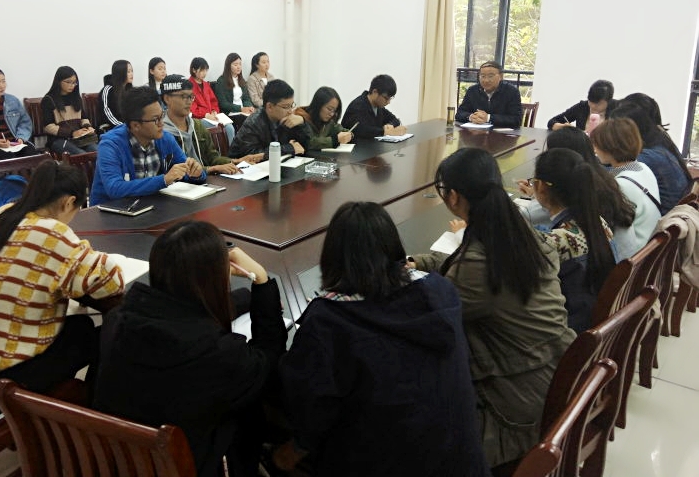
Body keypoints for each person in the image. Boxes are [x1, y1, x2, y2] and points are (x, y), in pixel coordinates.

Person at [274, 202, 490, 477]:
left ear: (333, 257)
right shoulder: (440, 290)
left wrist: (292, 451)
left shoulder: (329, 321)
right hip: (462, 462)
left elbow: (309, 412)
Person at [410, 148, 575, 469]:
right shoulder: (517, 232)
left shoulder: (478, 264)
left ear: (453, 197)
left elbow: (430, 321)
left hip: (515, 407)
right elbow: (468, 265)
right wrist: (421, 262)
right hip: (555, 375)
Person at [93, 220, 286, 477]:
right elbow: (269, 357)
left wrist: (246, 299)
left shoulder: (117, 320)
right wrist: (261, 280)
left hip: (119, 458)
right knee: (251, 410)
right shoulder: (219, 354)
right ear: (216, 278)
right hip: (186, 464)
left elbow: (188, 310)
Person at [0, 161, 124, 398]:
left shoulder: (3, 216)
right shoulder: (53, 234)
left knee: (77, 325)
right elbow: (110, 283)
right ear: (69, 202)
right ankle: (85, 403)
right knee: (99, 333)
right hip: (1, 372)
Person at [529, 148, 616, 332]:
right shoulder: (598, 222)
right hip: (596, 320)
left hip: (570, 329)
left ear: (541, 187)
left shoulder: (555, 241)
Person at [524, 126, 639, 261]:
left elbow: (525, 217)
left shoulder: (556, 239)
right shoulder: (601, 180)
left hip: (614, 267)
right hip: (623, 263)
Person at [89, 86, 206, 204]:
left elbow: (185, 172)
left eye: (162, 116)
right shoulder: (110, 145)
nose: (162, 124)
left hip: (151, 206)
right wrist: (163, 180)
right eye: (156, 119)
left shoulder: (165, 138)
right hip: (111, 210)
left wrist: (196, 173)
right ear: (135, 125)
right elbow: (115, 188)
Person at [161, 75, 260, 174]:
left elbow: (213, 158)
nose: (189, 101)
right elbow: (174, 171)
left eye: (191, 96)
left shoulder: (197, 126)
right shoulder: (161, 133)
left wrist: (237, 161)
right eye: (183, 96)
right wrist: (212, 169)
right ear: (167, 98)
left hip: (205, 180)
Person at [609, 101, 691, 214]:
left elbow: (611, 173)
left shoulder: (648, 157)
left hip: (663, 218)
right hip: (672, 211)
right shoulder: (659, 139)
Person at [590, 118, 662, 246]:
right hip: (650, 243)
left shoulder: (621, 185)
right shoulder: (643, 168)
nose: (595, 150)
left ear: (610, 147)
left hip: (634, 251)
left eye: (597, 145)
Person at [228, 79, 310, 161]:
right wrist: (288, 148)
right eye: (286, 107)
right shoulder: (253, 123)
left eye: (291, 105)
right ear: (270, 106)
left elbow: (304, 147)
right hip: (239, 166)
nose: (290, 111)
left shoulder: (286, 118)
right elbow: (253, 156)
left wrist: (302, 123)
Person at [42, 66, 98, 155]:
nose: (72, 85)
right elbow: (48, 127)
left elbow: (84, 118)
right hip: (58, 140)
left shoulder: (76, 97)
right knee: (81, 154)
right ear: (58, 81)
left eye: (74, 82)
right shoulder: (49, 100)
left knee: (97, 151)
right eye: (68, 82)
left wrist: (87, 127)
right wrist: (72, 133)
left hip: (79, 138)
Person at [454, 61, 522, 129]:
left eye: (490, 76)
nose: (486, 80)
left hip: (501, 133)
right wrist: (471, 117)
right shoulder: (472, 90)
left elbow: (516, 120)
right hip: (475, 132)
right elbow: (459, 113)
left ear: (501, 76)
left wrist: (488, 118)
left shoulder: (512, 91)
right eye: (483, 76)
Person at [341, 74, 407, 141]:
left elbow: (395, 120)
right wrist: (385, 132)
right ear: (375, 92)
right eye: (386, 98)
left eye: (390, 98)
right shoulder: (357, 106)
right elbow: (361, 130)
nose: (388, 102)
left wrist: (389, 125)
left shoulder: (378, 107)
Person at [189, 57, 236, 144]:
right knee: (218, 128)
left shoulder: (206, 85)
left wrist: (214, 111)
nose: (205, 73)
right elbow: (192, 108)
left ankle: (231, 151)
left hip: (211, 116)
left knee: (230, 128)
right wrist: (206, 114)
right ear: (194, 70)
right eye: (202, 70)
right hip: (199, 119)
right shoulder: (188, 86)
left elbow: (214, 101)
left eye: (206, 70)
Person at [294, 86, 354, 150]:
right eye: (329, 109)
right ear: (318, 105)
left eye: (334, 111)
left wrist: (349, 135)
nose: (332, 114)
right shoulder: (300, 119)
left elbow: (340, 129)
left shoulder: (328, 121)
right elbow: (309, 143)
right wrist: (335, 140)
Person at [546, 79, 614, 132]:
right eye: (590, 101)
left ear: (609, 101)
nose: (593, 106)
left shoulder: (616, 110)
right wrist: (563, 127)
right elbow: (551, 122)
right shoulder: (582, 107)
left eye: (598, 104)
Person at [213, 53, 255, 117]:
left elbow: (246, 98)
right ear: (228, 66)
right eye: (235, 65)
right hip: (231, 113)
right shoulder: (221, 81)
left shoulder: (241, 80)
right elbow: (223, 103)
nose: (238, 67)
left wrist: (249, 107)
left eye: (240, 64)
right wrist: (240, 109)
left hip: (243, 111)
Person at [100, 59, 134, 130]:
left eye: (132, 71)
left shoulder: (130, 89)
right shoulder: (107, 90)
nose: (131, 74)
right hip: (112, 127)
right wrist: (124, 126)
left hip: (128, 127)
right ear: (120, 73)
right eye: (128, 71)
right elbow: (107, 113)